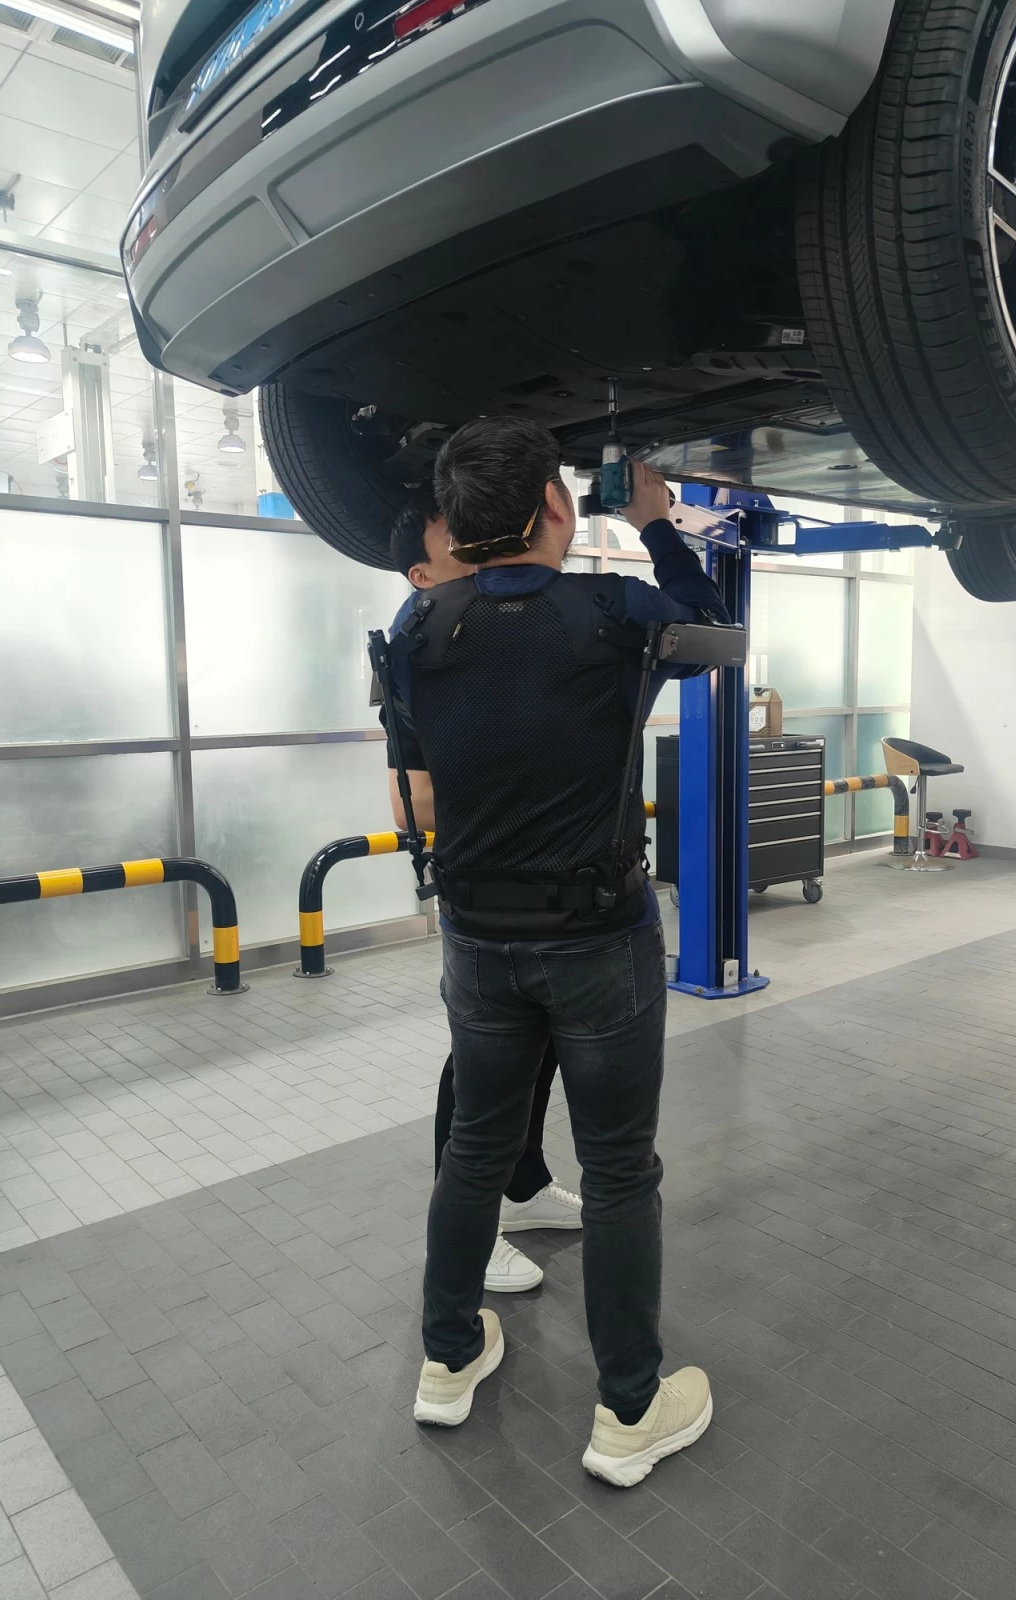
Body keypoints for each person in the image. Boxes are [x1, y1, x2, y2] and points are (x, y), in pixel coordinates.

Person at [384, 418, 726, 1486]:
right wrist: (656, 526)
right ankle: (629, 1409)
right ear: (554, 507)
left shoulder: (415, 626)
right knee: (619, 1168)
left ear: (456, 522)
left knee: (474, 1148)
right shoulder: (614, 612)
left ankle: (449, 1357)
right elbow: (714, 631)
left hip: (476, 941)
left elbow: (417, 765)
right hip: (598, 941)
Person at [388, 495, 582, 1296]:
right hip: (482, 895)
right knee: (478, 1066)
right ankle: (469, 1231)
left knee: (543, 1047)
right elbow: (410, 801)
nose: (480, 550)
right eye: (457, 542)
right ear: (421, 574)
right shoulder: (419, 642)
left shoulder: (506, 626)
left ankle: (524, 1184)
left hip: (551, 891)